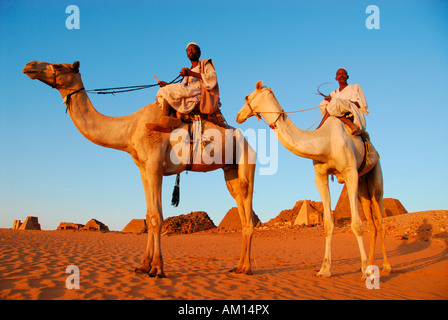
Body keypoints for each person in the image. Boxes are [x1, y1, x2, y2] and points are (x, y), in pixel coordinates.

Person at [155, 42, 223, 128]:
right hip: (190, 92)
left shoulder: (205, 64)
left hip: (200, 92)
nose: (190, 51)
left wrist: (191, 73)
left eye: (193, 49)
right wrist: (167, 85)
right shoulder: (189, 70)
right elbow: (182, 87)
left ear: (199, 53)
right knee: (165, 91)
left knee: (169, 90)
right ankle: (172, 118)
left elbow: (212, 78)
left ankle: (163, 118)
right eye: (188, 50)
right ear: (187, 54)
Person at [317, 68, 368, 135]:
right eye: (339, 74)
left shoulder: (355, 87)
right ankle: (344, 120)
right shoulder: (334, 93)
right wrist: (328, 100)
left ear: (347, 77)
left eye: (344, 73)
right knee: (323, 103)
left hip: (351, 109)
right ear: (336, 78)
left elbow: (362, 103)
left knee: (335, 101)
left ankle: (319, 127)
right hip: (336, 112)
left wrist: (345, 102)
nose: (341, 75)